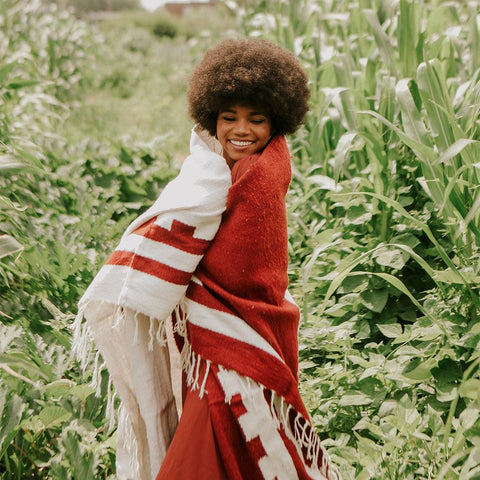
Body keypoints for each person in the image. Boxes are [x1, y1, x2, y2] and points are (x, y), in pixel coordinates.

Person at [73, 38, 341, 480]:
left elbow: (239, 272)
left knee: (207, 437)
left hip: (231, 335)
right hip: (228, 339)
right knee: (235, 437)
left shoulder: (256, 177)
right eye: (228, 117)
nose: (241, 130)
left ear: (276, 122)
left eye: (257, 119)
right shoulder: (232, 167)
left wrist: (177, 278)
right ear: (210, 117)